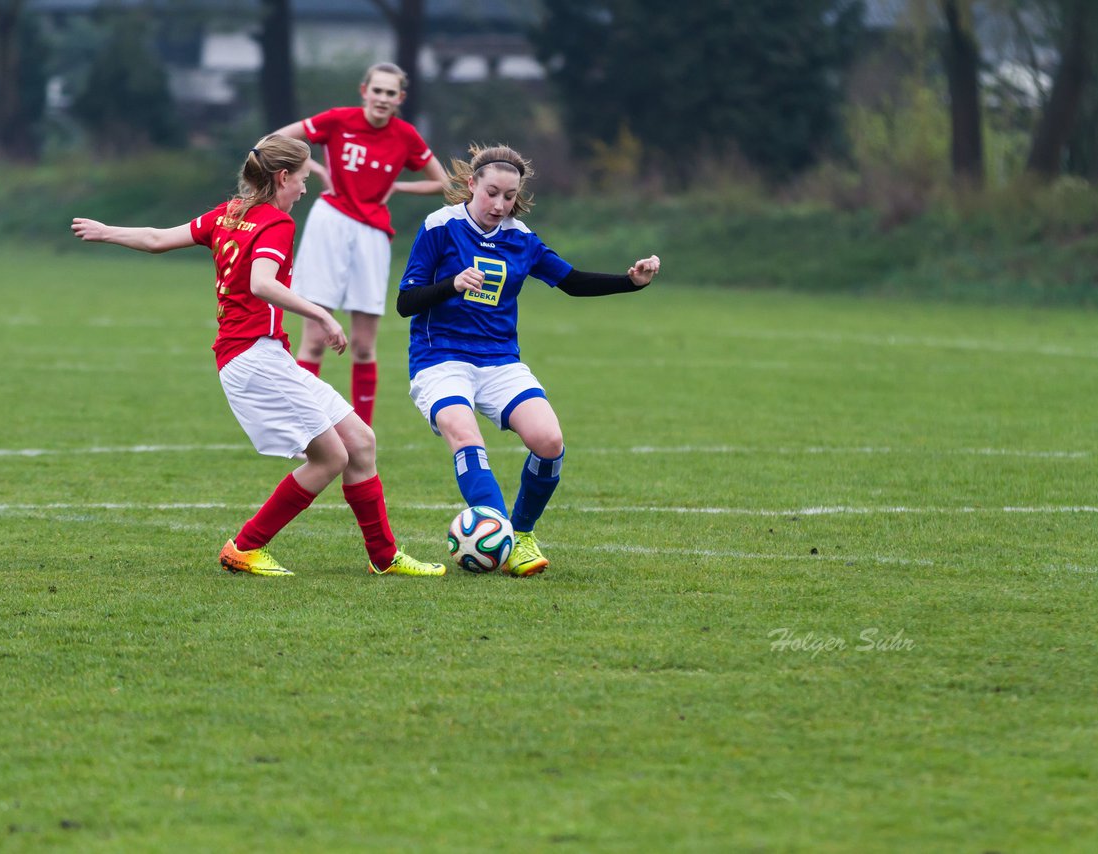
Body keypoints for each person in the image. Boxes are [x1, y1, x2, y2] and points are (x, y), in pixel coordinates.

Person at [70, 134, 445, 579]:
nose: (306, 189)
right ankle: (246, 546)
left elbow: (156, 238)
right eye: (303, 179)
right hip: (251, 358)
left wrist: (104, 231)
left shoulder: (228, 214)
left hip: (265, 355)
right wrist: (322, 315)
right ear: (282, 177)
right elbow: (262, 283)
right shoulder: (275, 223)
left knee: (361, 442)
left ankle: (384, 557)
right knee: (330, 458)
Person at [396, 144, 661, 577]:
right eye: (492, 193)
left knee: (549, 442)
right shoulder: (439, 227)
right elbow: (407, 302)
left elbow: (572, 282)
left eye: (509, 196)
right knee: (464, 435)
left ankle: (518, 535)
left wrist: (631, 283)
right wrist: (452, 284)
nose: (500, 205)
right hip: (440, 359)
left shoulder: (521, 240)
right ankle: (495, 529)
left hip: (499, 360)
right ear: (471, 185)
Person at [272, 62, 450, 427]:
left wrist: (399, 186)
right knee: (315, 340)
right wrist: (316, 169)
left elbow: (444, 183)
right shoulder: (338, 120)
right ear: (364, 90)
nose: (382, 99)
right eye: (377, 90)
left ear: (400, 98)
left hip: (373, 235)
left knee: (364, 345)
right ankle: (311, 431)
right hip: (330, 224)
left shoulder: (406, 136)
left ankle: (362, 435)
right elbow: (274, 142)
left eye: (391, 93)